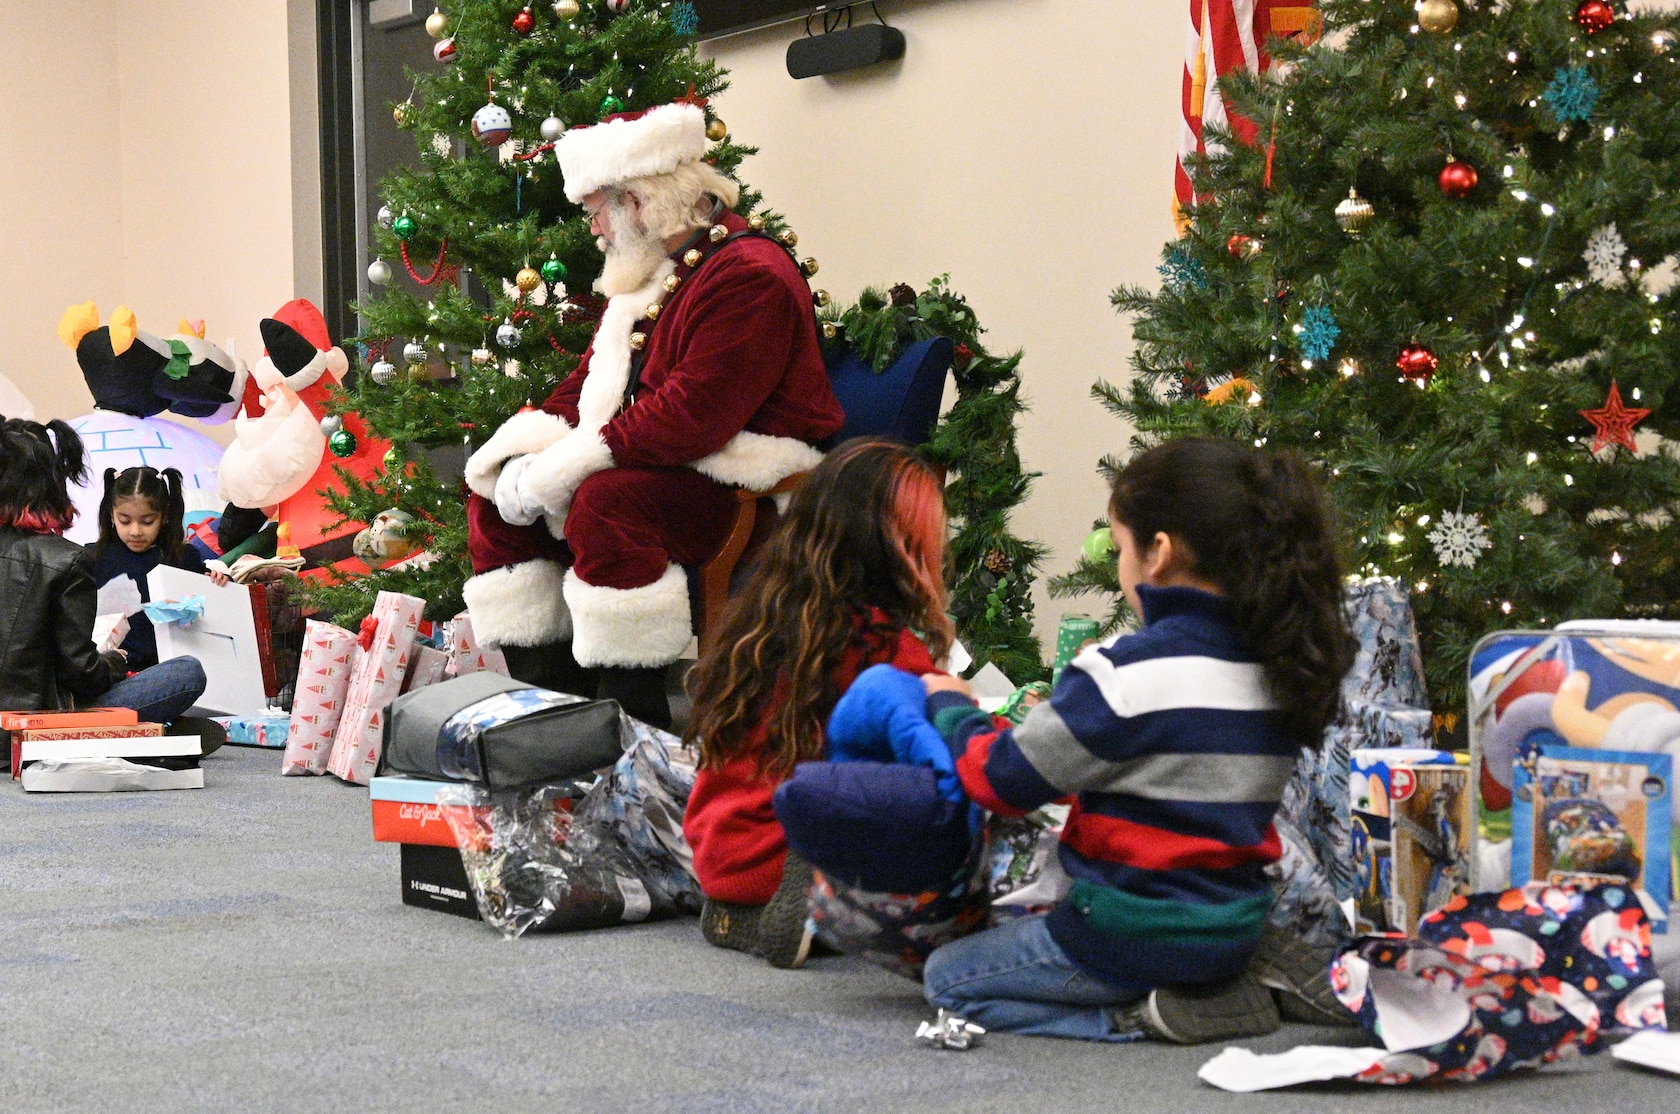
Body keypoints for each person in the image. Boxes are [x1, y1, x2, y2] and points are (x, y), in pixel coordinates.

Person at [883, 437, 1355, 1042]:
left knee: (949, 981)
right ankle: (1227, 976)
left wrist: (951, 703)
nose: (1119, 565)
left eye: (1120, 547)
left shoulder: (1123, 672)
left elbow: (999, 779)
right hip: (1232, 922)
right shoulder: (1279, 667)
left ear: (1158, 552)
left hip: (1126, 933)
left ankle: (1136, 1015)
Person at [460, 102, 843, 729]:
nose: (594, 230)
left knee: (607, 502)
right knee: (494, 503)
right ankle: (557, 710)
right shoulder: (653, 275)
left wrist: (568, 465)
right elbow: (587, 384)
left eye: (596, 213)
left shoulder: (751, 276)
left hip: (741, 480)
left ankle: (629, 716)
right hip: (665, 462)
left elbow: (693, 416)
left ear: (640, 202)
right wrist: (525, 458)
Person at [682, 440, 953, 967]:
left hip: (720, 852)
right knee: (945, 802)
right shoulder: (884, 648)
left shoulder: (762, 621)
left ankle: (740, 917)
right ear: (902, 548)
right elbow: (951, 740)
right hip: (786, 854)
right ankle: (819, 906)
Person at [0, 417, 220, 769]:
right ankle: (138, 735)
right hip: (42, 733)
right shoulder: (67, 559)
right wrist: (116, 662)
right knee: (186, 673)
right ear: (52, 483)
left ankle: (138, 736)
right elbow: (82, 676)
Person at [88, 465, 228, 673]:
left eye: (147, 521)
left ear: (165, 515)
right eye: (124, 521)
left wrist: (218, 580)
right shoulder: (92, 558)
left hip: (166, 669)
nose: (135, 531)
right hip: (110, 671)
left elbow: (212, 613)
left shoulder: (183, 558)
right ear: (111, 514)